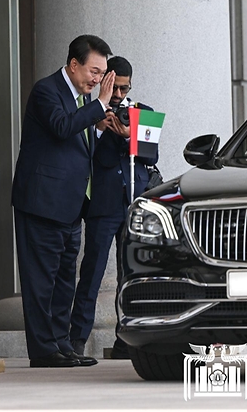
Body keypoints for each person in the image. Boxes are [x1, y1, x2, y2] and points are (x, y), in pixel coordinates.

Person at [12, 35, 115, 368]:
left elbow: (80, 147)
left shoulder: (85, 102)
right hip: (42, 202)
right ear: (74, 64)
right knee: (41, 281)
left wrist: (100, 125)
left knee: (63, 281)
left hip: (71, 206)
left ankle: (61, 344)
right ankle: (43, 350)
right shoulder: (47, 91)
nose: (97, 79)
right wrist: (99, 105)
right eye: (94, 71)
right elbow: (60, 127)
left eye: (102, 73)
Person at [70, 56, 157, 358]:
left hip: (133, 203)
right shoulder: (92, 114)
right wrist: (99, 129)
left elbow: (151, 156)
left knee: (130, 274)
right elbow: (87, 154)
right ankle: (77, 339)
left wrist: (130, 137)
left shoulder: (142, 112)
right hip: (104, 205)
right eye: (115, 88)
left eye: (124, 89)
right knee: (92, 271)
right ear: (105, 82)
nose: (119, 95)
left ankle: (128, 340)